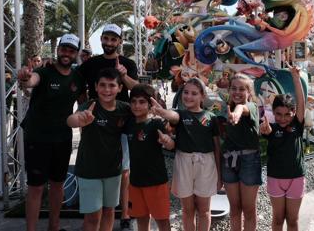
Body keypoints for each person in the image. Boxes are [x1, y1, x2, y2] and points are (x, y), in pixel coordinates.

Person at [17, 34, 85, 231]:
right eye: (64, 49)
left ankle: (53, 228)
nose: (66, 53)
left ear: (76, 54)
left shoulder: (78, 78)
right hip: (37, 138)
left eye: (71, 51)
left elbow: (83, 104)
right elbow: (31, 81)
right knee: (36, 187)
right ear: (58, 50)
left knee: (58, 184)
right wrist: (25, 77)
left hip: (62, 138)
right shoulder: (44, 72)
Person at [78, 23, 138, 231]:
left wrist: (123, 75)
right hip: (95, 122)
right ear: (101, 39)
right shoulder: (91, 63)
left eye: (114, 39)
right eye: (106, 38)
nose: (109, 43)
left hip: (122, 121)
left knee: (124, 170)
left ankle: (126, 214)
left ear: (120, 42)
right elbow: (76, 83)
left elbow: (137, 90)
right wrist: (83, 110)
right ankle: (95, 210)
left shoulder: (128, 63)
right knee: (96, 165)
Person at [151, 78, 221, 231]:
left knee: (204, 210)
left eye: (194, 93)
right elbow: (173, 117)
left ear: (202, 96)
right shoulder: (180, 114)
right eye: (186, 92)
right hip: (184, 162)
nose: (189, 96)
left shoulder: (211, 118)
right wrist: (163, 112)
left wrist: (219, 175)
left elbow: (217, 148)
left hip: (206, 164)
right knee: (187, 210)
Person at [67, 68, 131, 231]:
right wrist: (79, 120)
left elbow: (143, 116)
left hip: (113, 171)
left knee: (109, 210)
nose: (107, 90)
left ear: (120, 88)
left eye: (112, 85)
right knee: (93, 217)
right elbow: (71, 120)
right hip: (89, 171)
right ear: (95, 87)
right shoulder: (89, 106)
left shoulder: (125, 109)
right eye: (102, 85)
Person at [259, 64, 305, 231]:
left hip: (296, 178)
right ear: (273, 112)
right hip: (275, 178)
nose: (283, 118)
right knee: (278, 219)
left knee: (293, 221)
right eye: (278, 114)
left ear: (293, 112)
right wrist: (266, 131)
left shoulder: (297, 125)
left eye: (287, 114)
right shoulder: (270, 128)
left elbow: (301, 102)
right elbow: (267, 131)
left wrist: (296, 78)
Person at [126, 84, 174, 231]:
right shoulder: (128, 124)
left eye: (142, 102)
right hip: (135, 182)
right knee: (141, 220)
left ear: (149, 104)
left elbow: (171, 144)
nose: (137, 106)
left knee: (162, 222)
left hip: (156, 182)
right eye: (133, 101)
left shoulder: (156, 123)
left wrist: (167, 141)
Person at [221, 73, 261, 231]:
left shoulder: (251, 107)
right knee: (235, 208)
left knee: (249, 209)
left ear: (249, 92)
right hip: (229, 160)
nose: (237, 92)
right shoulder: (227, 108)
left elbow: (241, 108)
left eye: (242, 89)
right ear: (229, 90)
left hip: (249, 161)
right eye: (234, 88)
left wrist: (236, 115)